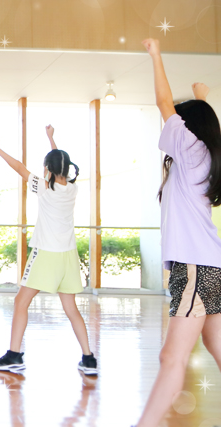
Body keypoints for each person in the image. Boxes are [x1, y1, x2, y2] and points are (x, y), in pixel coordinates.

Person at [136, 39, 221, 427]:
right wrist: (203, 100)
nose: (171, 125)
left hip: (196, 269)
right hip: (209, 266)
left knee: (171, 358)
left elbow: (164, 102)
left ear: (189, 128)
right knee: (216, 347)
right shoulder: (202, 153)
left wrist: (155, 54)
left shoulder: (188, 150)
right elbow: (193, 120)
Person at [0, 125, 97, 376]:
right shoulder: (72, 188)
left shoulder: (43, 187)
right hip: (68, 256)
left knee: (20, 302)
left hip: (46, 254)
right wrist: (51, 138)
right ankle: (88, 358)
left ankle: (14, 355)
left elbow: (18, 167)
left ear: (47, 169)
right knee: (71, 309)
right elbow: (58, 163)